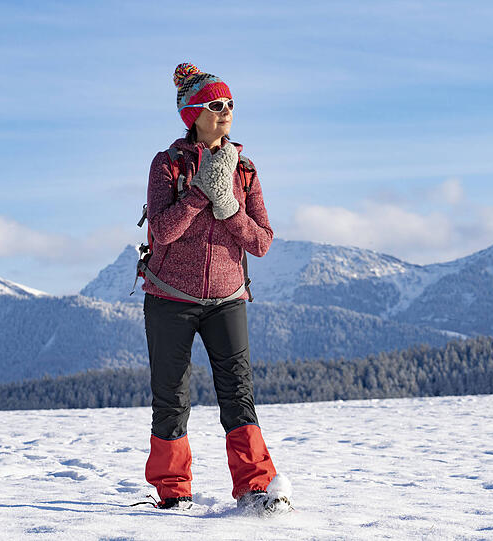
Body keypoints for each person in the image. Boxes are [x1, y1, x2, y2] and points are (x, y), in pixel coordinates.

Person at [141, 62, 291, 514]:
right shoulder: (167, 164)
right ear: (193, 115)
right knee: (171, 398)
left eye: (229, 104)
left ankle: (256, 487)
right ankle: (174, 491)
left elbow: (261, 242)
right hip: (169, 297)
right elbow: (162, 231)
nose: (226, 111)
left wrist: (227, 206)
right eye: (215, 105)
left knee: (238, 396)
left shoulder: (245, 169)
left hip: (227, 300)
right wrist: (199, 194)